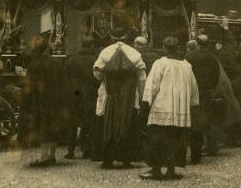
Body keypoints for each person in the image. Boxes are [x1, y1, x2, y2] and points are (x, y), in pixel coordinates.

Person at [139, 37, 199, 180]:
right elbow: (193, 87)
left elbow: (152, 85)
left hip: (162, 106)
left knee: (157, 139)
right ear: (178, 48)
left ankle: (156, 169)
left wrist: (146, 102)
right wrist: (192, 103)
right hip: (180, 109)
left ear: (164, 48)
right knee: (176, 138)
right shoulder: (186, 65)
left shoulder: (160, 63)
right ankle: (171, 169)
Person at [93, 28, 147, 169]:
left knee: (108, 123)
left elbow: (97, 73)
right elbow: (142, 78)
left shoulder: (105, 52)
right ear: (126, 38)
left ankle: (107, 160)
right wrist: (141, 96)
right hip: (129, 96)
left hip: (110, 94)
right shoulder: (134, 53)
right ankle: (126, 159)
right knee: (128, 122)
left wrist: (106, 79)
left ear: (111, 38)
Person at [20, 34, 70, 167]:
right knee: (53, 127)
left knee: (42, 127)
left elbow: (30, 86)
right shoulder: (58, 63)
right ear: (47, 49)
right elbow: (64, 83)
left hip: (40, 101)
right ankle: (52, 156)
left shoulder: (34, 65)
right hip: (56, 101)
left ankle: (43, 158)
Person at [184, 34, 221, 162]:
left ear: (197, 44)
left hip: (191, 93)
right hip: (206, 94)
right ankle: (199, 153)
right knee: (203, 123)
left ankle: (189, 155)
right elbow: (216, 76)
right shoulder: (213, 58)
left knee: (191, 124)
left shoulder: (189, 57)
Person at [66, 36, 99, 159]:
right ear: (91, 45)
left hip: (74, 94)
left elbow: (67, 76)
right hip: (90, 94)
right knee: (89, 122)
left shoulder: (72, 59)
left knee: (73, 123)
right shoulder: (95, 60)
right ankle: (86, 150)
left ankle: (70, 151)